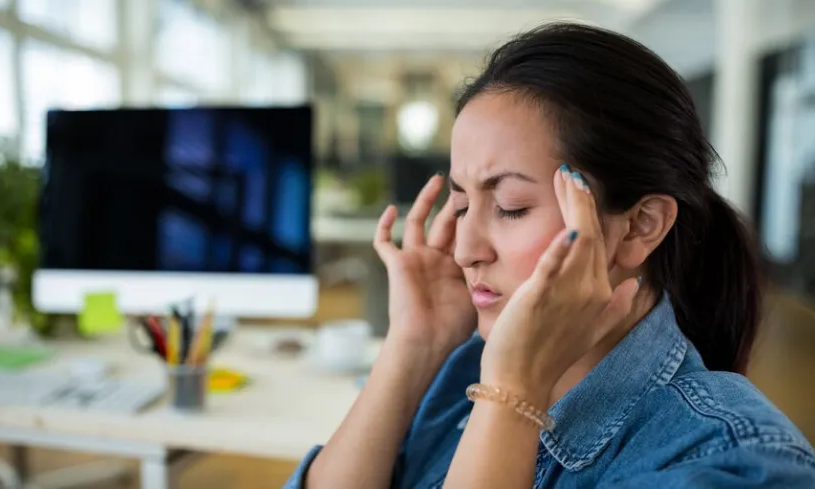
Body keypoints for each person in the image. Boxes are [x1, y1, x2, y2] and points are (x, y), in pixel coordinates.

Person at [285, 22, 815, 488]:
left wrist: (512, 395)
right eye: (464, 203)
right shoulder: (459, 374)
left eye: (512, 206)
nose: (465, 250)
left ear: (639, 226)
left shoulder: (736, 461)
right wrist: (414, 345)